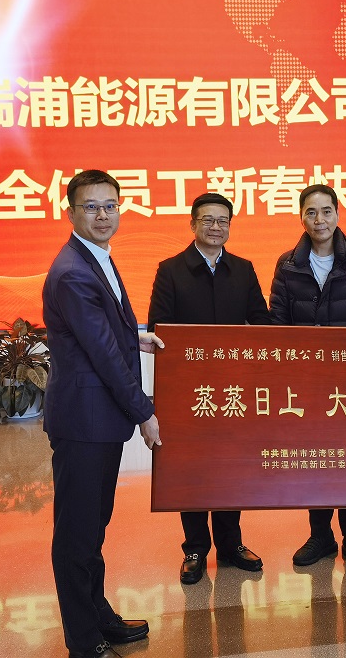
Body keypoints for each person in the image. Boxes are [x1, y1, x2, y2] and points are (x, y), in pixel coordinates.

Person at [42, 169, 164, 658]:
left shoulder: (95, 257)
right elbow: (103, 355)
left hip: (98, 419)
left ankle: (98, 616)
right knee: (78, 533)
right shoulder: (73, 271)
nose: (102, 215)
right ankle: (83, 639)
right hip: (84, 422)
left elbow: (101, 331)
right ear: (70, 212)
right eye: (90, 207)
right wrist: (145, 411)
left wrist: (136, 337)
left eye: (110, 205)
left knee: (93, 525)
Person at [269, 184, 346, 573]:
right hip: (307, 384)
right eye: (311, 212)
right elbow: (277, 325)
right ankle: (320, 536)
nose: (319, 219)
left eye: (326, 211)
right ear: (301, 217)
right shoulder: (288, 264)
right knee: (314, 459)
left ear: (338, 215)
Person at [147, 192, 271, 585]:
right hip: (189, 389)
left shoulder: (243, 269)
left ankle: (231, 545)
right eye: (207, 220)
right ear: (193, 224)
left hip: (234, 387)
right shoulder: (171, 270)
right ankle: (195, 548)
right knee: (193, 467)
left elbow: (261, 321)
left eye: (223, 221)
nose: (215, 227)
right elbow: (158, 327)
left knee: (231, 465)